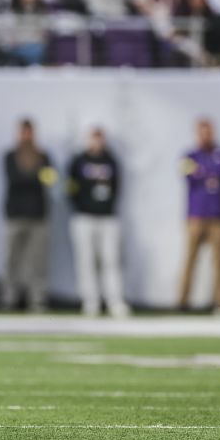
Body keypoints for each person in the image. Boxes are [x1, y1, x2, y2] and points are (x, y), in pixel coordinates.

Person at [68, 128, 128, 317]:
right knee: (86, 260)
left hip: (108, 217)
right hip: (84, 217)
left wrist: (108, 206)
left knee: (111, 260)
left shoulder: (111, 161)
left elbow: (117, 187)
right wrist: (81, 205)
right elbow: (71, 187)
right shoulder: (78, 161)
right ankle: (90, 301)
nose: (96, 142)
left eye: (99, 138)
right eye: (93, 138)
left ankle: (114, 300)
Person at [177, 118, 220, 312]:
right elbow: (186, 172)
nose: (206, 136)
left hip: (219, 215)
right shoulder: (190, 154)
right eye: (202, 132)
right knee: (190, 259)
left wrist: (202, 172)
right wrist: (207, 174)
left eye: (208, 132)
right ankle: (182, 300)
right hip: (196, 215)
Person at [1, 119, 54, 312]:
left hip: (38, 215)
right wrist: (35, 177)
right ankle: (9, 299)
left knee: (37, 261)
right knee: (12, 258)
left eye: (29, 132)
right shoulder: (10, 156)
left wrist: (35, 177)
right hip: (15, 214)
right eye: (23, 132)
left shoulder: (43, 156)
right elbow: (15, 180)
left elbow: (48, 180)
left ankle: (37, 300)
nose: (26, 136)